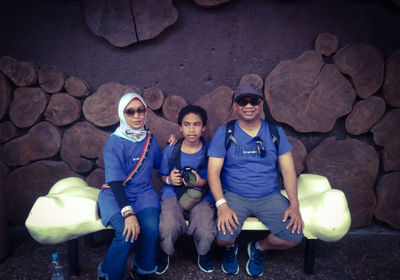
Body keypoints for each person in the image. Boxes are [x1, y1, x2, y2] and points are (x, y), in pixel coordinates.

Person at [207, 83, 304, 277]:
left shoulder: (275, 133)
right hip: (235, 196)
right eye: (243, 101)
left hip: (268, 196)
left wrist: (294, 205)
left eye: (254, 101)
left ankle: (259, 247)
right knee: (220, 238)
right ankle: (229, 248)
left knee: (293, 236)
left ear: (261, 105)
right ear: (235, 106)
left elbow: (288, 170)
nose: (248, 105)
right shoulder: (225, 132)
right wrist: (222, 205)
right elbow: (213, 173)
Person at [97, 93, 163, 280]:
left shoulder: (149, 140)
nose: (136, 116)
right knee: (126, 233)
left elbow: (160, 162)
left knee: (151, 228)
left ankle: (142, 269)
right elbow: (115, 183)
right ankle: (109, 273)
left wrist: (173, 147)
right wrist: (129, 214)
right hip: (115, 195)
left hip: (143, 193)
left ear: (146, 112)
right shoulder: (114, 143)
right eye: (130, 111)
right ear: (122, 114)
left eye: (141, 110)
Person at [156, 105, 216, 275]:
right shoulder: (171, 149)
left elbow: (219, 176)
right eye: (187, 124)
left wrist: (202, 181)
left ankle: (204, 252)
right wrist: (169, 179)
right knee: (168, 225)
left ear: (203, 127)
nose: (191, 129)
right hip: (173, 194)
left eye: (197, 124)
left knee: (205, 228)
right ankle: (165, 251)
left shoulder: (211, 150)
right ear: (180, 128)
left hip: (203, 196)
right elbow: (162, 174)